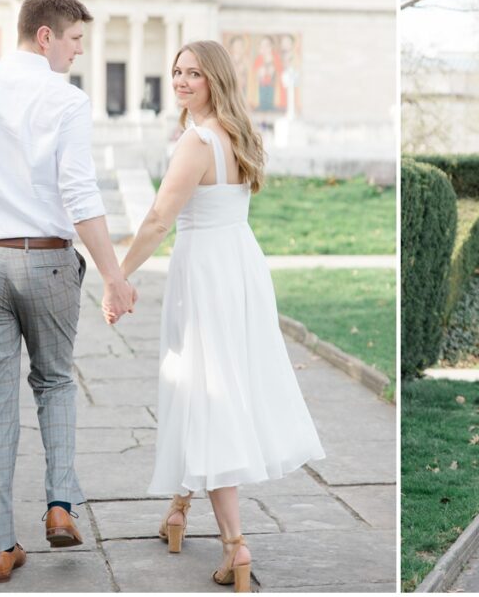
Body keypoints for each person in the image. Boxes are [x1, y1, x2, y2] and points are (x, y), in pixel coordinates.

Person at [0, 0, 137, 584]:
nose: (76, 53)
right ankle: (61, 504)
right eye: (73, 41)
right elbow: (79, 194)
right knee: (56, 380)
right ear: (45, 35)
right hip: (45, 263)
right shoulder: (63, 100)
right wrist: (114, 275)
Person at [118, 40, 325, 591]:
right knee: (207, 385)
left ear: (215, 81)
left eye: (194, 74)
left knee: (209, 395)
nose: (182, 82)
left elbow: (160, 218)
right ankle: (179, 510)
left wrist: (119, 274)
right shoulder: (240, 134)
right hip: (239, 267)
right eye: (177, 72)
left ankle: (235, 544)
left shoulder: (196, 140)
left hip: (207, 271)